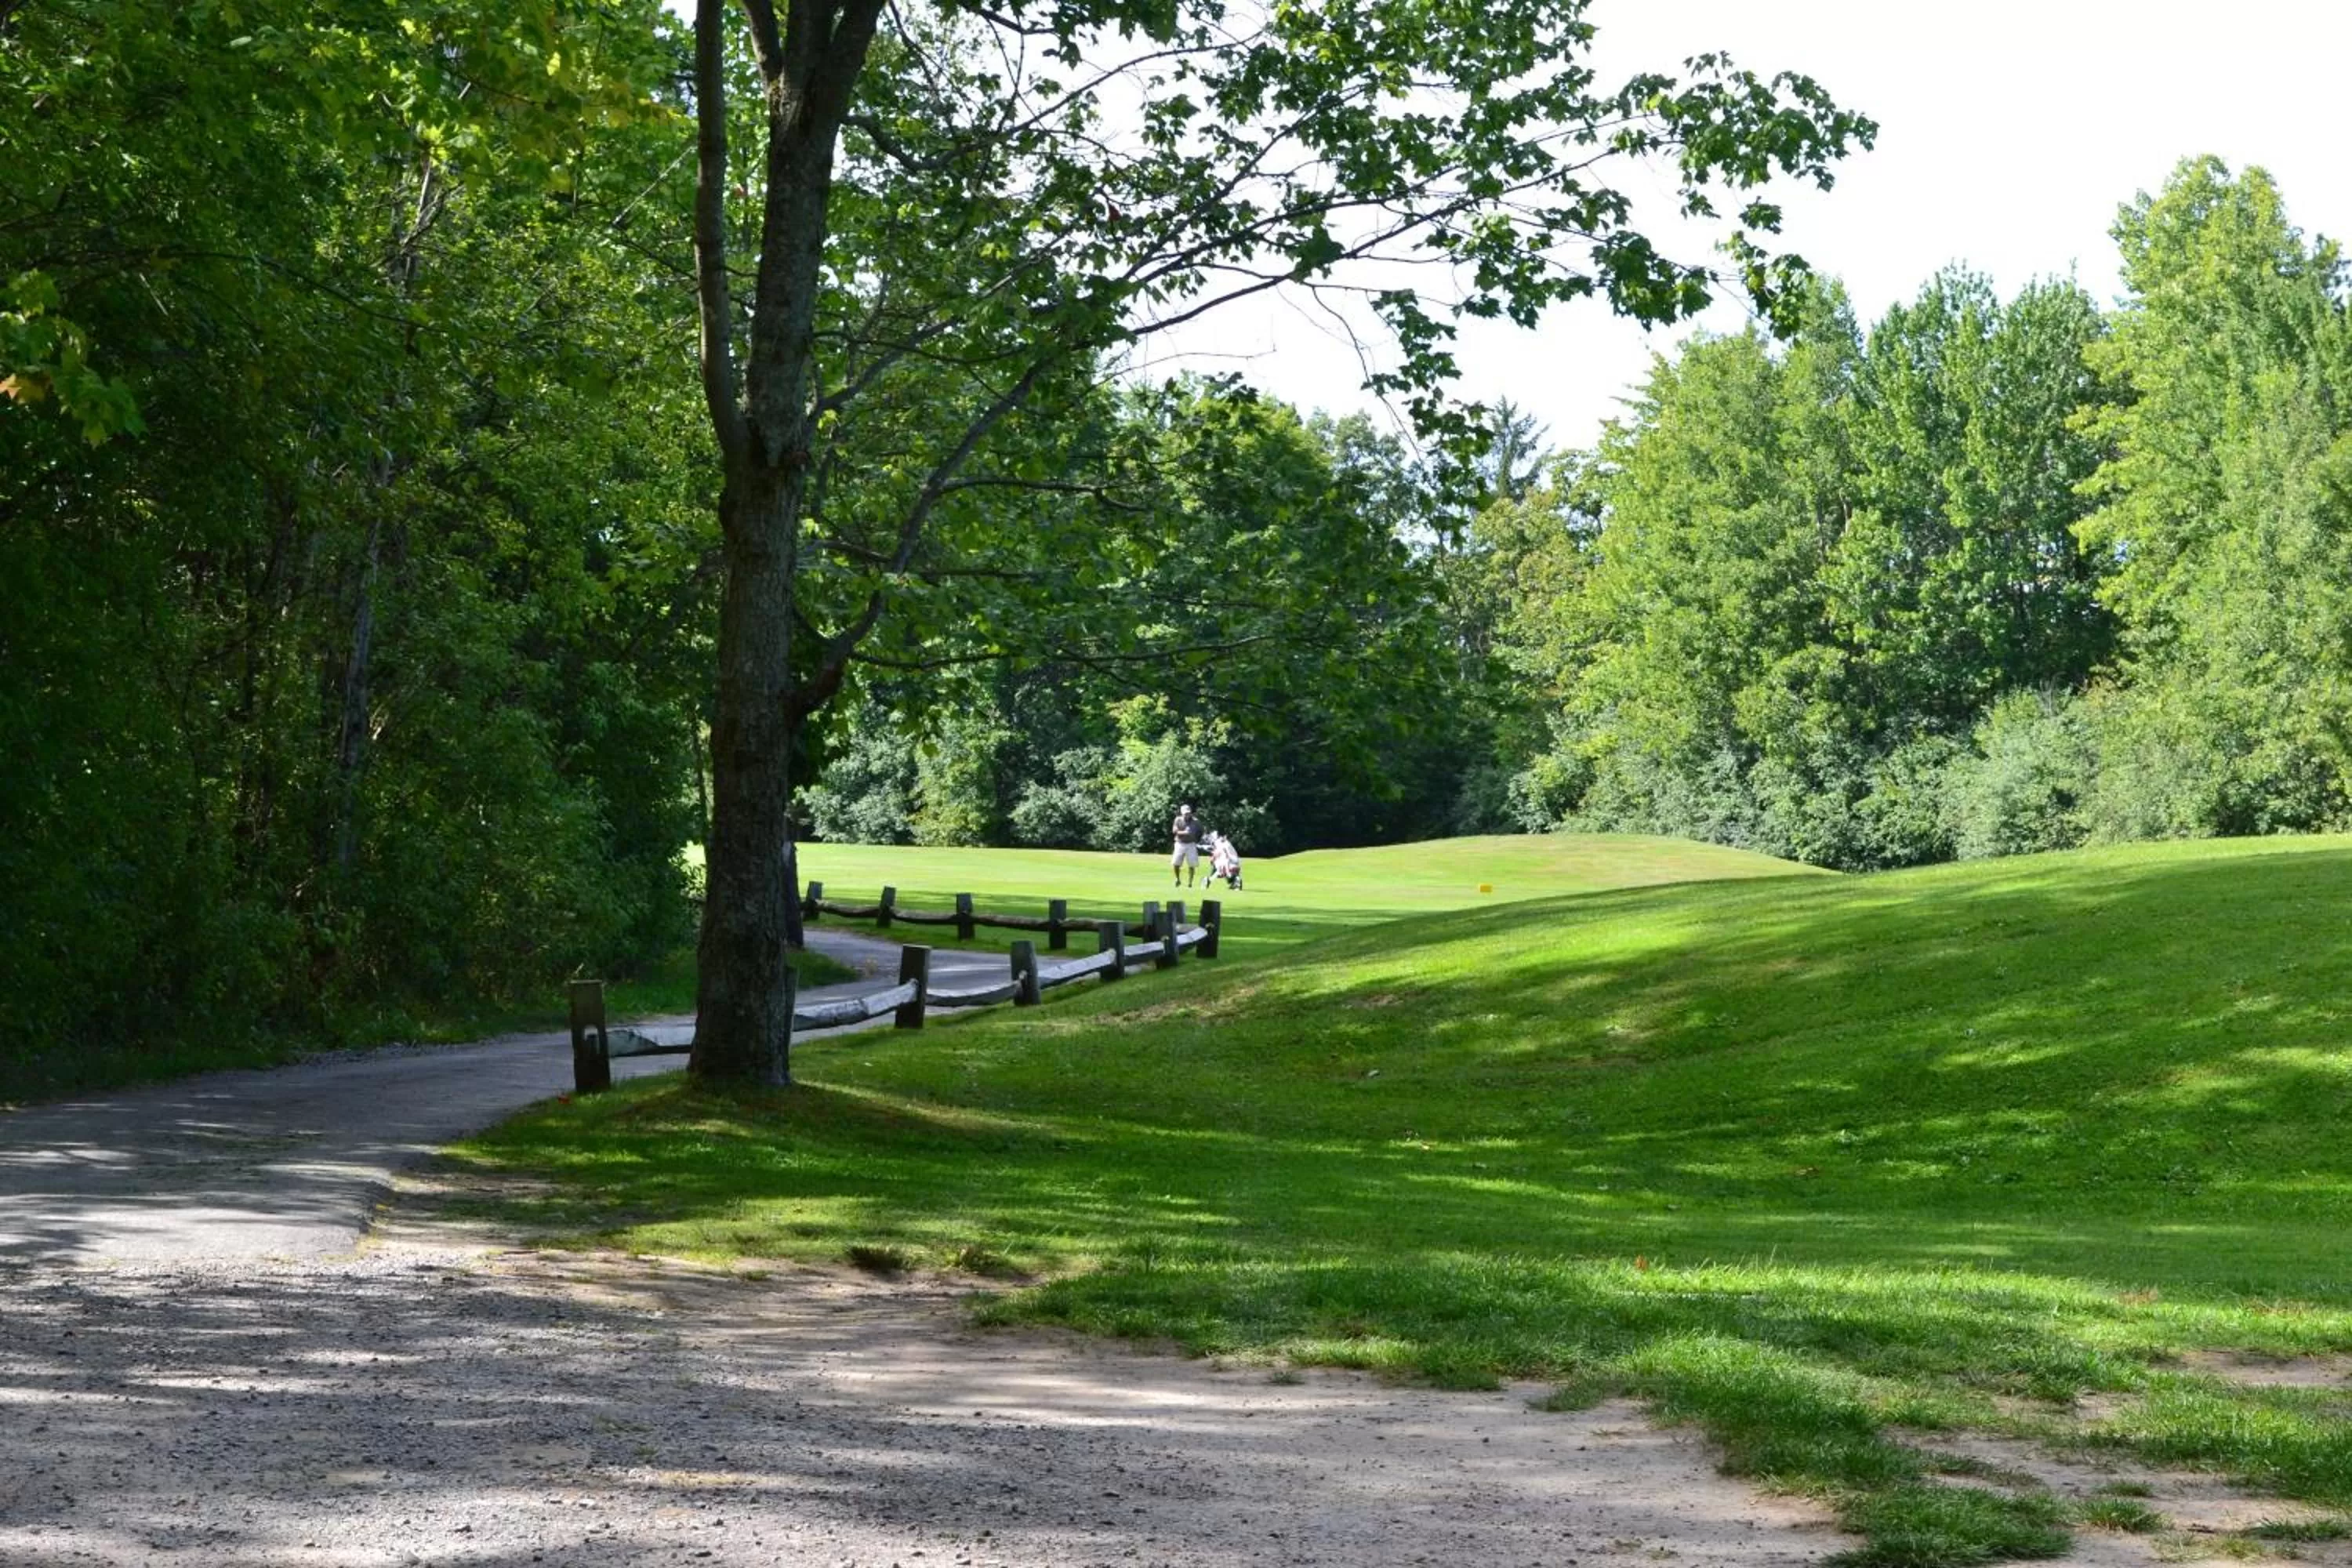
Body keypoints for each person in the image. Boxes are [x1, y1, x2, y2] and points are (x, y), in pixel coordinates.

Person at [1170, 803, 1203, 887]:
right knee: (1176, 863)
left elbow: (1201, 831)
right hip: (1180, 843)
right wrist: (1185, 832)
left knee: (1192, 865)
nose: (1187, 815)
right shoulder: (1178, 820)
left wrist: (1197, 840)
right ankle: (1177, 880)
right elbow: (1174, 831)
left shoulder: (1196, 822)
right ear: (1182, 813)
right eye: (1185, 813)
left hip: (1191, 844)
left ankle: (1190, 883)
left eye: (1189, 813)